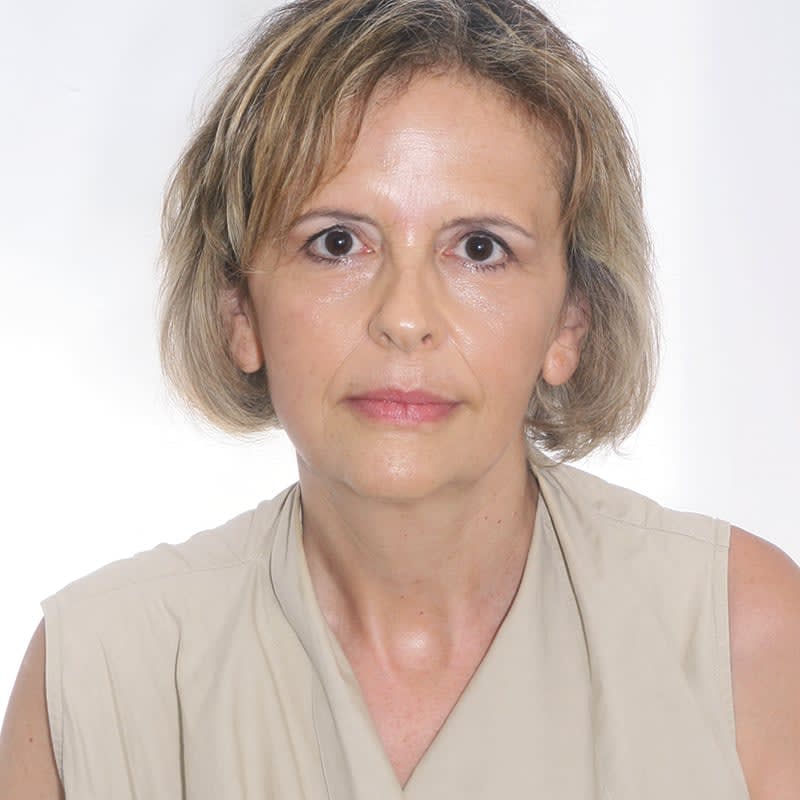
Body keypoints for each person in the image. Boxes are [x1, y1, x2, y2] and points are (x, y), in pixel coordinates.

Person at [1, 0, 798, 796]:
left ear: (570, 323)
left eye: (480, 248)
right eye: (336, 243)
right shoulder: (95, 675)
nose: (405, 318)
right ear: (239, 312)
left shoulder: (742, 639)